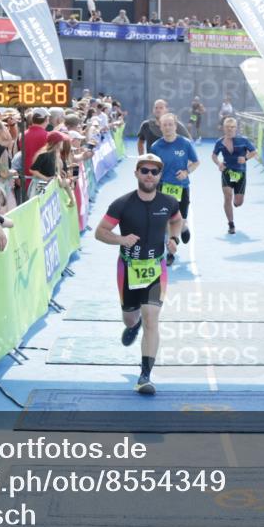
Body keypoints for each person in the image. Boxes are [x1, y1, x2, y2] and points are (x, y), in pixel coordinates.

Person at [94, 154, 182, 395]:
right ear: (136, 173)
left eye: (155, 171)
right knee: (131, 319)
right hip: (128, 269)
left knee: (152, 319)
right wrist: (121, 239)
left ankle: (145, 375)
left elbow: (177, 221)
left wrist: (173, 238)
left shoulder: (169, 202)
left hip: (156, 268)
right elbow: (100, 232)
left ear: (160, 176)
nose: (149, 175)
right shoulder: (122, 204)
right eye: (145, 170)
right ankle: (134, 324)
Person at [150, 113, 199, 266]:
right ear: (161, 127)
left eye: (170, 124)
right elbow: (152, 168)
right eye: (164, 125)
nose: (168, 127)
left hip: (182, 188)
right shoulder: (156, 146)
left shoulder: (185, 143)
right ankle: (170, 251)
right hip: (163, 187)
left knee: (179, 220)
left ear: (176, 126)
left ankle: (183, 227)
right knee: (166, 221)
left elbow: (196, 162)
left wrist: (186, 172)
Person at [211, 116, 257, 235]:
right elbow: (214, 156)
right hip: (227, 172)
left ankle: (236, 203)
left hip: (240, 173)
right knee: (227, 196)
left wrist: (245, 158)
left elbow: (254, 152)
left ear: (236, 128)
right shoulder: (219, 142)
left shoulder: (243, 140)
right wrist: (219, 163)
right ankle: (231, 224)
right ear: (223, 128)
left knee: (238, 202)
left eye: (232, 127)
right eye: (227, 127)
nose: (230, 129)